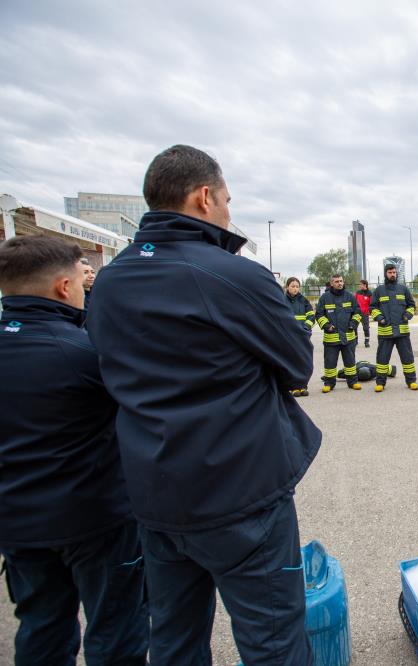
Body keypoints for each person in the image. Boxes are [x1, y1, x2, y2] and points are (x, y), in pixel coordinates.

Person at [87, 145, 321, 663]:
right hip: (239, 497)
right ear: (204, 196)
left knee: (173, 637)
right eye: (228, 201)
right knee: (274, 640)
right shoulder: (231, 275)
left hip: (153, 496)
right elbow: (296, 364)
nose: (229, 213)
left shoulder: (107, 282)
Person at [0, 236, 148, 665]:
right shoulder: (86, 352)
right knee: (116, 632)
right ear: (64, 287)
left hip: (16, 523)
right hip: (95, 520)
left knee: (40, 627)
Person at [371, 263, 418, 391]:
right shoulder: (379, 291)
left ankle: (411, 381)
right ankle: (380, 383)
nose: (392, 275)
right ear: (386, 274)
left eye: (394, 272)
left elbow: (411, 305)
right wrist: (380, 318)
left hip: (402, 332)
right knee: (382, 359)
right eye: (390, 272)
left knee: (407, 358)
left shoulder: (403, 289)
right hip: (385, 332)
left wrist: (408, 315)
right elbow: (372, 307)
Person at [317, 274, 363, 393]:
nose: (339, 283)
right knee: (330, 362)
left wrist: (353, 323)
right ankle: (329, 383)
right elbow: (319, 314)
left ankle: (353, 382)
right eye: (336, 281)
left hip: (348, 337)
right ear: (331, 283)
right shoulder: (324, 298)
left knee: (350, 362)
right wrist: (327, 326)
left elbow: (358, 312)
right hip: (331, 338)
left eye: (341, 281)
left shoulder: (350, 296)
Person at [285, 276, 315, 397]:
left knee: (303, 361)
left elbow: (311, 316)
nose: (295, 289)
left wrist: (306, 328)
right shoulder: (281, 300)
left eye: (297, 286)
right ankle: (292, 387)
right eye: (293, 286)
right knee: (290, 362)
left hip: (302, 336)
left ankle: (302, 386)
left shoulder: (304, 301)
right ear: (287, 287)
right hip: (288, 336)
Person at [355, 279, 373, 347]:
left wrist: (369, 312)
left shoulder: (369, 293)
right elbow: (354, 301)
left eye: (361, 284)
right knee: (354, 327)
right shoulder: (358, 292)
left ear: (365, 285)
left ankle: (366, 341)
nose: (360, 286)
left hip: (365, 314)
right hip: (357, 313)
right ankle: (355, 341)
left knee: (366, 328)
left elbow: (371, 304)